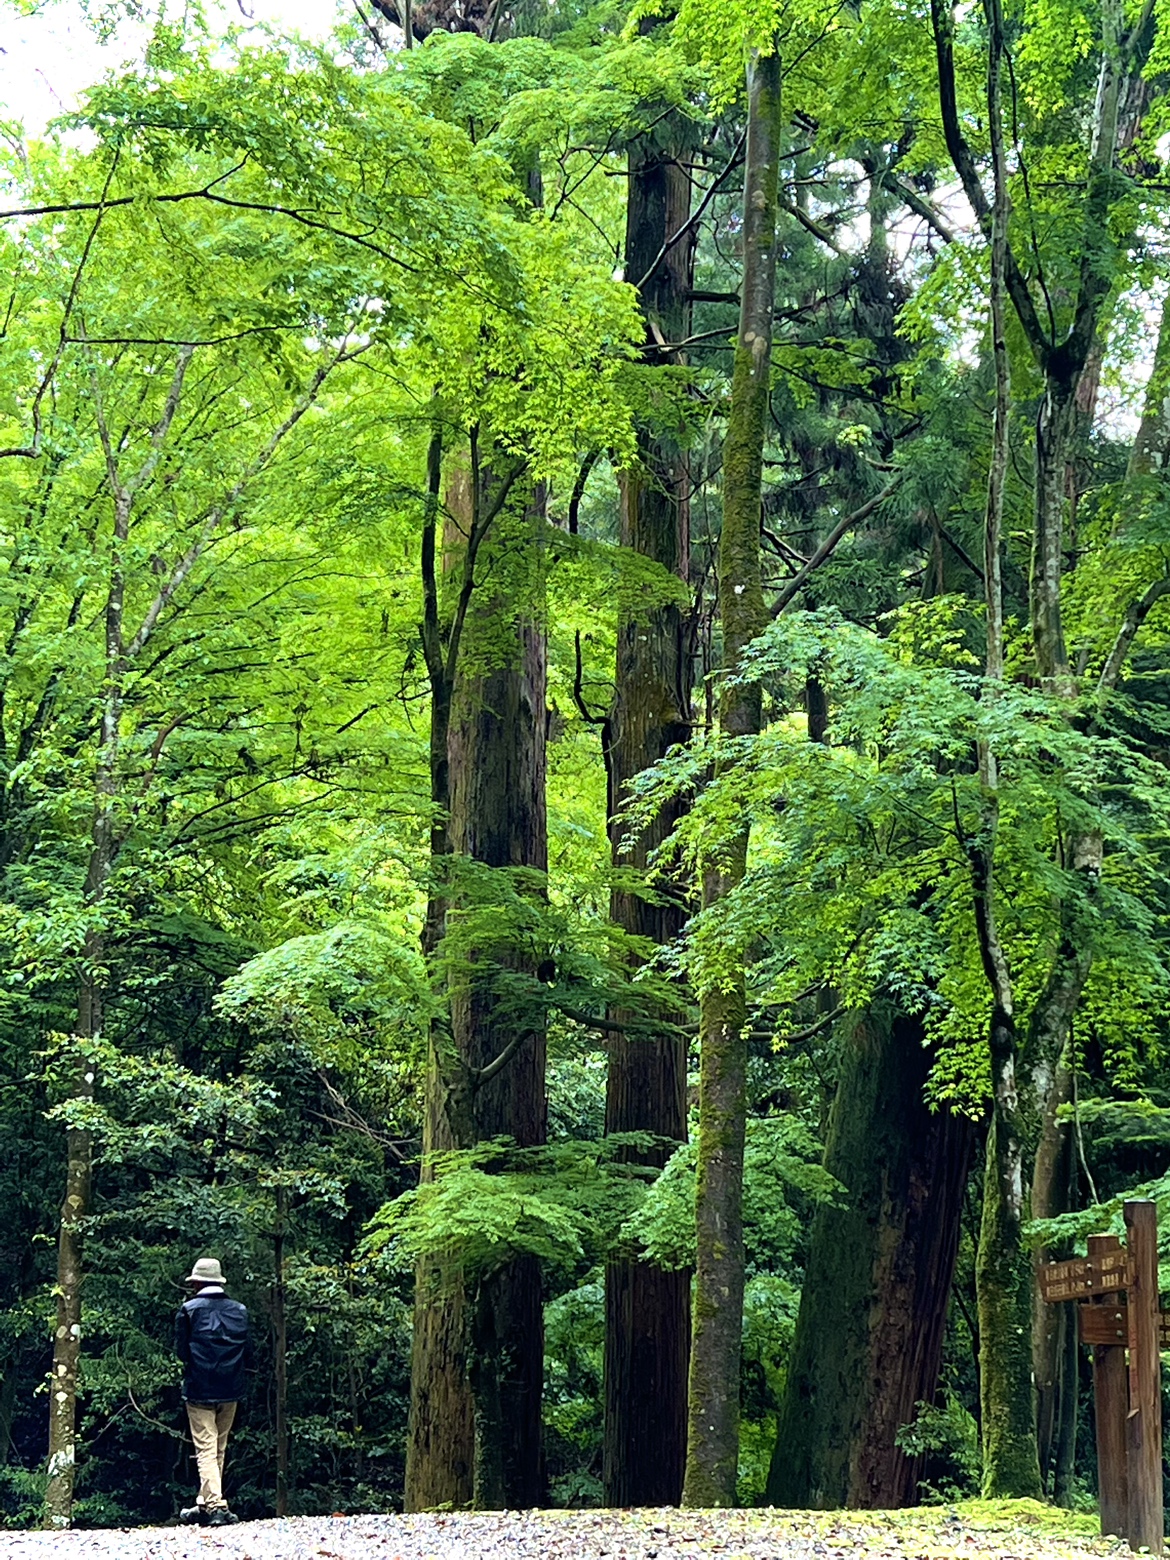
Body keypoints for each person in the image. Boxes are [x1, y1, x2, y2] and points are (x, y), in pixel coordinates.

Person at [174, 1256, 251, 1526]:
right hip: (232, 1386)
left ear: (196, 1282)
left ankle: (215, 1505)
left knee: (206, 1447)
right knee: (218, 1446)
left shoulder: (188, 1310)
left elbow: (182, 1351)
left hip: (199, 1387)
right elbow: (247, 1351)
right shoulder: (239, 1310)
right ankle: (204, 1503)